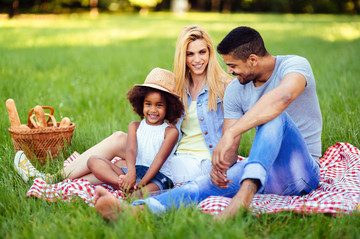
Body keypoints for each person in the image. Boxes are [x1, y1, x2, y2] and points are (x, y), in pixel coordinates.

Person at [93, 26, 322, 221]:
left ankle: (244, 197)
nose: (229, 72)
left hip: (301, 170)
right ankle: (137, 212)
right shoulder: (236, 89)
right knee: (202, 185)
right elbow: (229, 151)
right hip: (263, 172)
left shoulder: (294, 65)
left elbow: (281, 99)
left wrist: (233, 133)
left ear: (252, 60)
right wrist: (220, 167)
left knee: (276, 115)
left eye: (233, 66)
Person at [14, 25, 231, 187]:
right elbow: (159, 123)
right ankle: (56, 183)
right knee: (121, 155)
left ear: (210, 53)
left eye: (202, 52)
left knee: (122, 156)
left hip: (199, 163)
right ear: (182, 57)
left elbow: (256, 90)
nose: (196, 59)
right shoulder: (179, 87)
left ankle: (52, 180)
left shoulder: (224, 87)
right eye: (190, 54)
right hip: (173, 155)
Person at [88, 68, 183, 198]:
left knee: (138, 196)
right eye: (148, 104)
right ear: (141, 103)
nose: (153, 110)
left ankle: (130, 190)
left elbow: (158, 160)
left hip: (158, 177)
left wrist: (142, 183)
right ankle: (124, 185)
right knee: (93, 161)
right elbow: (131, 151)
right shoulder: (134, 126)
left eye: (159, 105)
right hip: (135, 170)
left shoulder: (170, 132)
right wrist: (130, 174)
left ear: (169, 107)